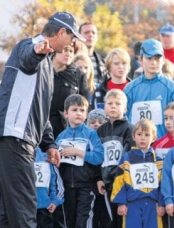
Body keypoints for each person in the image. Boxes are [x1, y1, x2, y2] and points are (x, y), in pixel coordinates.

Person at [0, 11, 85, 227]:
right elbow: (29, 59)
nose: (73, 43)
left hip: (17, 140)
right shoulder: (29, 47)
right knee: (25, 208)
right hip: (15, 139)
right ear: (61, 32)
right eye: (72, 36)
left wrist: (49, 143)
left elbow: (40, 110)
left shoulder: (48, 61)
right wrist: (37, 52)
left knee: (7, 211)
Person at [56, 94, 104, 228]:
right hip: (66, 186)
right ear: (66, 113)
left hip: (86, 185)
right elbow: (54, 162)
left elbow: (99, 156)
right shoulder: (61, 137)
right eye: (74, 110)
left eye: (82, 110)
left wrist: (78, 152)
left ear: (86, 114)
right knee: (69, 221)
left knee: (83, 221)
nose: (78, 113)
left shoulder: (91, 134)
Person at [111, 119, 165, 228]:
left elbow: (163, 184)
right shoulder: (126, 158)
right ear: (134, 136)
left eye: (147, 135)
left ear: (154, 138)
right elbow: (119, 181)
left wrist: (162, 203)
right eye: (139, 134)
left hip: (152, 204)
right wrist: (121, 203)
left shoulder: (159, 161)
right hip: (132, 204)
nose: (143, 138)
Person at [124, 39, 174, 139]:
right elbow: (124, 121)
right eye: (149, 58)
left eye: (157, 58)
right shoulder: (130, 89)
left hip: (163, 148)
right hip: (136, 147)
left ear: (163, 60)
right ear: (141, 60)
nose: (154, 62)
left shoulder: (172, 88)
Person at [96, 89, 135, 228]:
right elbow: (97, 156)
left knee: (123, 219)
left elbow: (128, 156)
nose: (113, 106)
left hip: (123, 182)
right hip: (106, 183)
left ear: (125, 108)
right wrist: (99, 178)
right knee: (109, 220)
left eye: (118, 103)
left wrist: (118, 177)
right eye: (110, 103)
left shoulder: (129, 129)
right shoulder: (100, 131)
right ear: (104, 106)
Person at [50, 45, 90, 139]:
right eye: (65, 50)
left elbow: (85, 105)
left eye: (71, 51)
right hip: (41, 126)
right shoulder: (42, 71)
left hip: (66, 130)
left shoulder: (79, 76)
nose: (68, 54)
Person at [85, 109, 109, 228]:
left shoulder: (108, 141)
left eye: (100, 122)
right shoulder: (85, 143)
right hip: (89, 185)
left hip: (105, 183)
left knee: (105, 217)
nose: (96, 124)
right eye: (92, 122)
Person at [35, 148, 65, 228]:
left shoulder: (48, 158)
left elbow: (56, 182)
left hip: (44, 207)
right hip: (23, 207)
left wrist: (55, 201)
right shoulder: (17, 158)